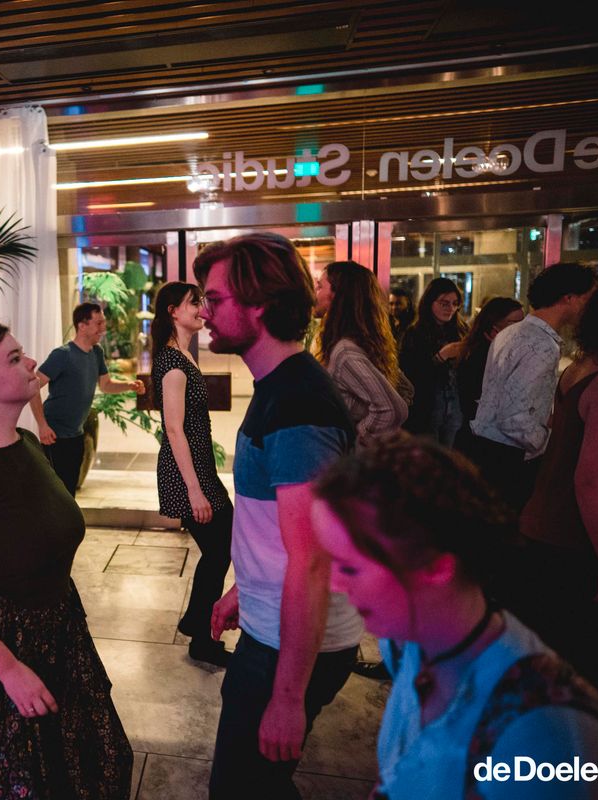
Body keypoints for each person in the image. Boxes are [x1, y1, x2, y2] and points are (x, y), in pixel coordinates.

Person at [312, 434, 598, 799]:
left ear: (437, 568)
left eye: (349, 568)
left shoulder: (545, 737)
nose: (333, 584)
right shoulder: (406, 642)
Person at [0, 322, 133, 799]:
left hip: (57, 634)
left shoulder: (29, 444)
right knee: (20, 784)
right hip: (0, 649)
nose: (32, 362)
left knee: (95, 765)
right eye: (15, 358)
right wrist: (9, 669)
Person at [193, 233, 362, 799]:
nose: (204, 313)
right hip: (272, 627)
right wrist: (246, 587)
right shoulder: (281, 389)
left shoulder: (297, 404)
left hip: (288, 647)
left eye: (214, 299)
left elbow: (313, 560)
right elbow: (282, 530)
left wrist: (288, 698)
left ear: (260, 304)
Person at [518, 265, 598, 729]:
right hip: (578, 547)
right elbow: (592, 481)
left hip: (546, 535)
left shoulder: (584, 367)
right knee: (591, 683)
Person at [469, 262, 598, 511]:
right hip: (509, 459)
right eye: (588, 298)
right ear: (569, 298)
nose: (590, 307)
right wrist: (550, 445)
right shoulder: (542, 345)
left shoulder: (511, 332)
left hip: (486, 448)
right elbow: (516, 420)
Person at [150, 282, 232, 667]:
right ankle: (201, 635)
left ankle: (198, 625)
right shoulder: (172, 362)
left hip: (199, 469)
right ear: (172, 311)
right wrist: (195, 491)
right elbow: (173, 429)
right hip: (187, 475)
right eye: (193, 303)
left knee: (220, 549)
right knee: (219, 548)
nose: (201, 308)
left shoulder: (184, 355)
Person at [30, 302, 145, 495]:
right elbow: (32, 386)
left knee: (70, 489)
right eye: (98, 323)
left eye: (103, 322)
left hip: (77, 433)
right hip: (54, 435)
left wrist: (129, 385)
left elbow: (106, 385)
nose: (104, 328)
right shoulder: (62, 355)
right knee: (56, 493)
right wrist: (42, 425)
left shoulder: (97, 352)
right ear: (82, 326)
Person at [315, 261, 410, 444]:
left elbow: (394, 409)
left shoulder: (344, 352)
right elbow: (405, 388)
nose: (315, 293)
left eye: (320, 286)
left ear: (337, 295)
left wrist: (358, 443)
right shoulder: (360, 341)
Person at [450, 297, 524, 453]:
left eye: (524, 324)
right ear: (493, 330)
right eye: (515, 324)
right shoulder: (479, 358)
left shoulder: (505, 354)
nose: (522, 330)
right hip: (481, 445)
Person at [400, 278, 468, 445]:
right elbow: (411, 375)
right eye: (444, 303)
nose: (450, 308)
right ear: (430, 302)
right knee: (429, 451)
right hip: (427, 407)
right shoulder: (415, 334)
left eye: (455, 304)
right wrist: (440, 357)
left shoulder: (461, 330)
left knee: (450, 452)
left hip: (455, 404)